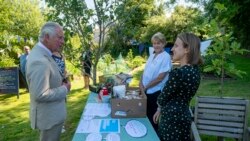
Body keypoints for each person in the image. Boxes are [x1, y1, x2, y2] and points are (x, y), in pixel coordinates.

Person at [25, 22, 71, 141]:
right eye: (59, 37)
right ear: (46, 37)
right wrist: (64, 89)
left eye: (63, 38)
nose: (62, 41)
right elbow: (41, 94)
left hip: (52, 116)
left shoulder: (44, 54)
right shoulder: (40, 60)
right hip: (48, 118)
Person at [153, 32, 203, 141]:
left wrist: (159, 107)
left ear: (187, 49)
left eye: (176, 45)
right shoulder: (195, 72)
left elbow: (163, 97)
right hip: (184, 118)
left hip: (171, 122)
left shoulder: (178, 74)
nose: (172, 49)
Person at [139, 32, 172, 132]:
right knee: (144, 117)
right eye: (154, 43)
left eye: (159, 43)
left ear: (164, 43)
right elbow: (145, 71)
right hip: (146, 91)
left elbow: (160, 78)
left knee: (152, 119)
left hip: (155, 92)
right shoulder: (152, 55)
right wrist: (140, 82)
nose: (156, 45)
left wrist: (145, 87)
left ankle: (154, 137)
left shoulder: (166, 57)